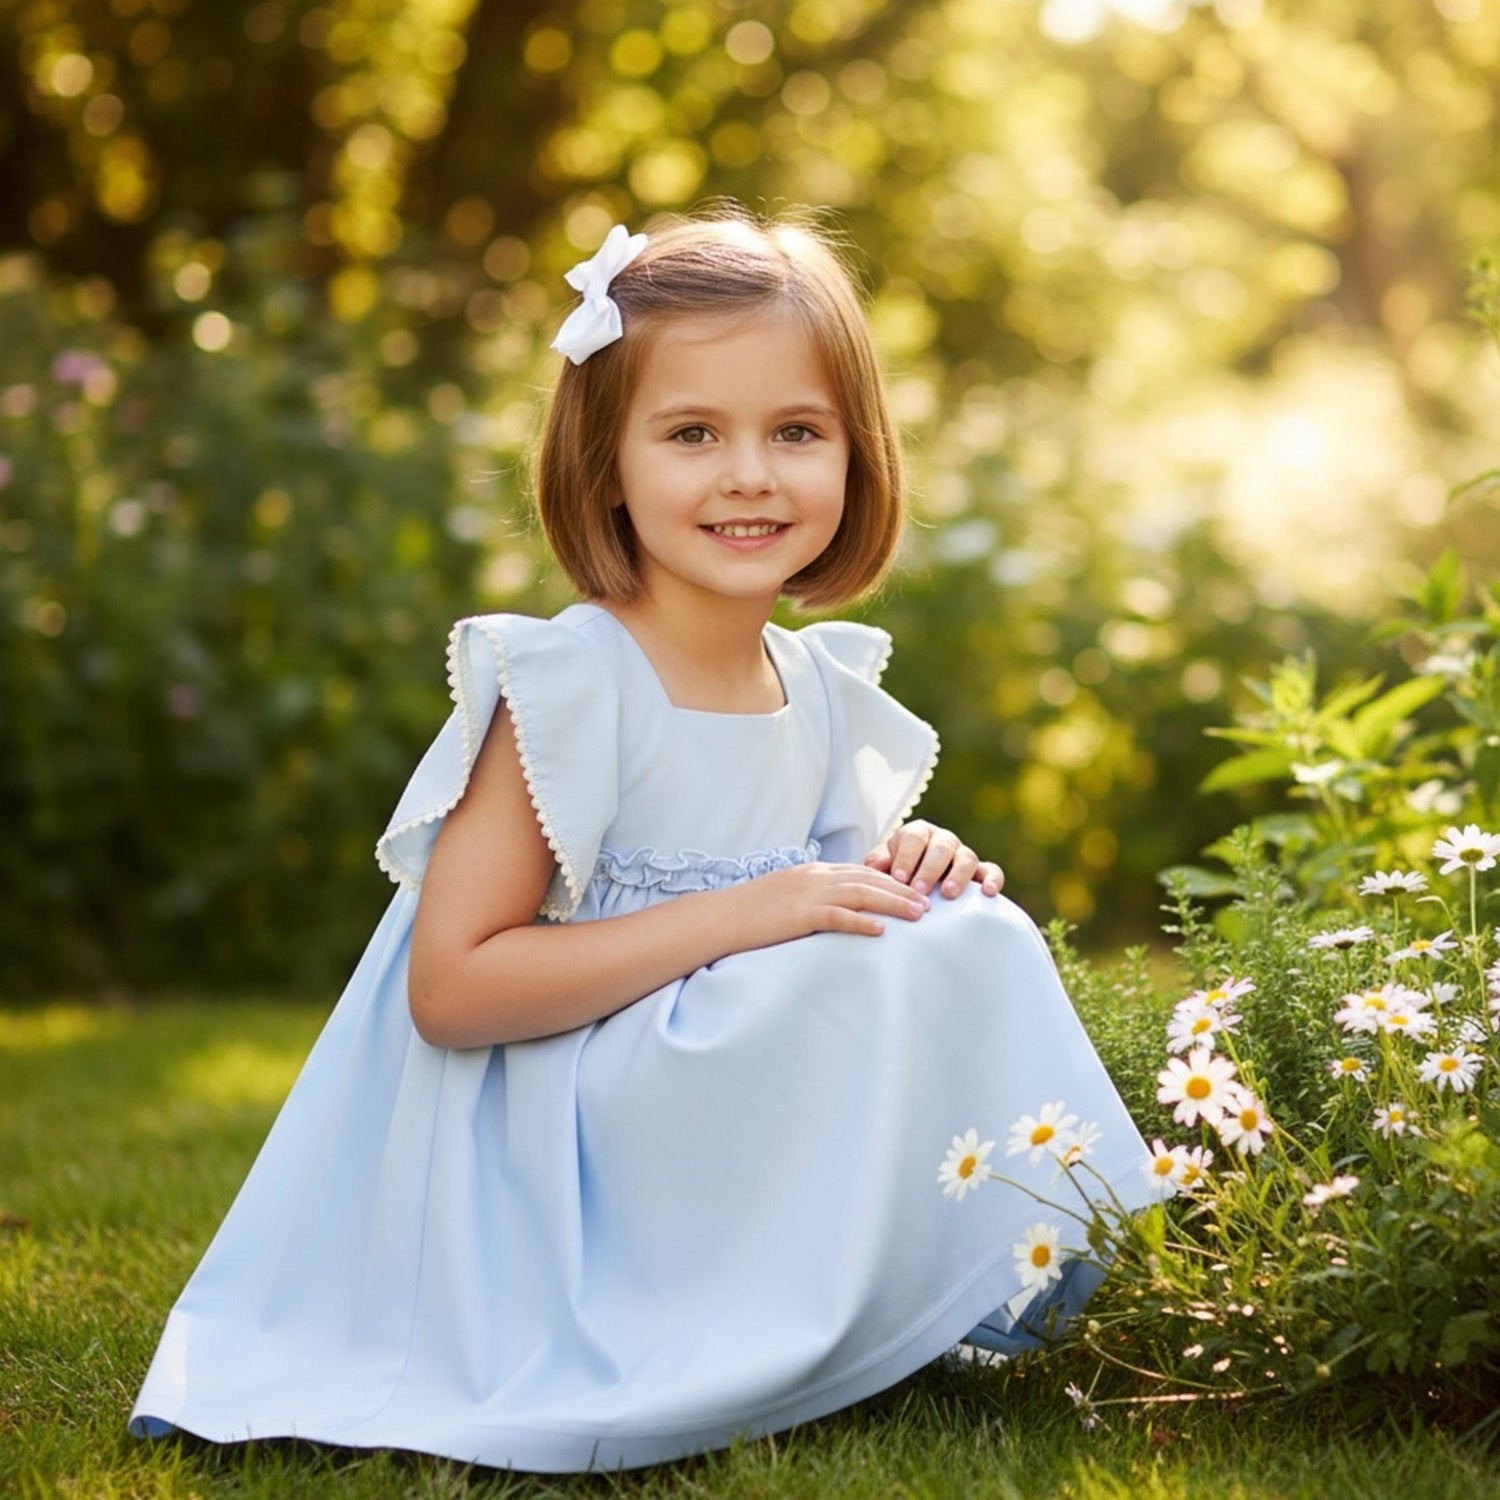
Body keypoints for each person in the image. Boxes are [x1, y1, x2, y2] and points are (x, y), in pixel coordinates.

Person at [130, 206, 1152, 1472]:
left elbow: (822, 910)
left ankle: (958, 1273)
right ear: (606, 462)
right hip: (566, 1135)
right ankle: (710, 1325)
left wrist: (913, 865)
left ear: (858, 455)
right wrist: (746, 911)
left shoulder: (823, 687)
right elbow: (453, 991)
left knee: (969, 936)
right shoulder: (572, 687)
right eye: (690, 434)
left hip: (708, 1099)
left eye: (796, 431)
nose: (750, 475)